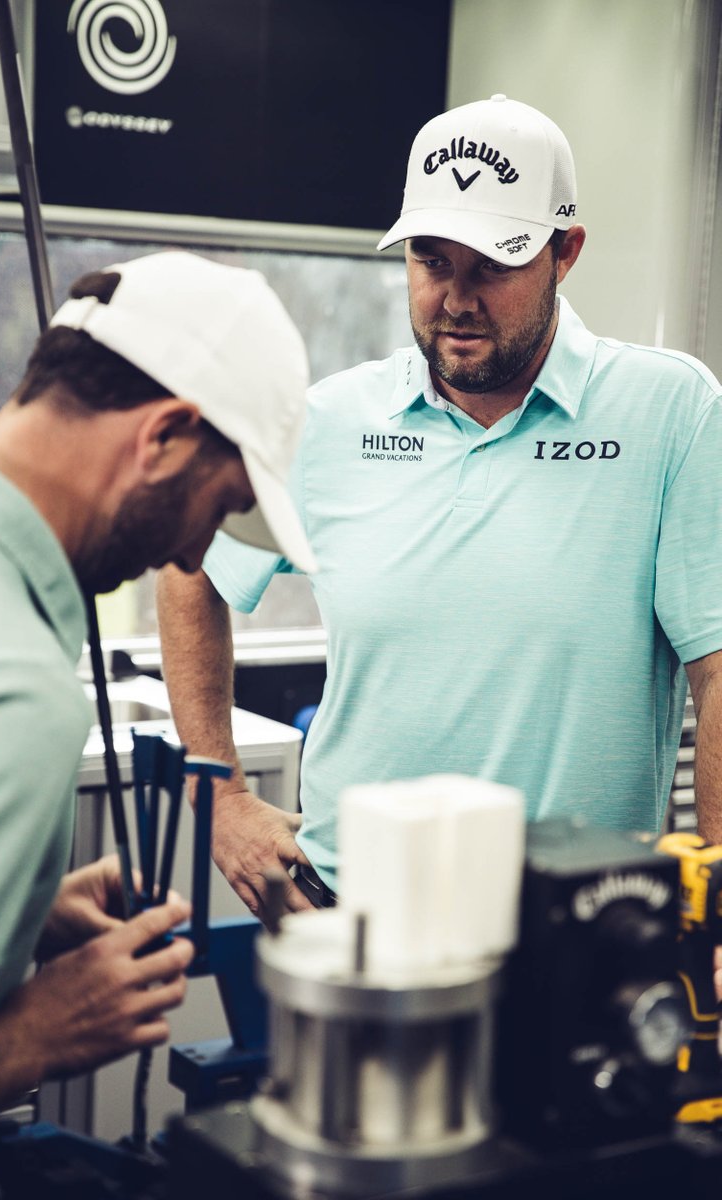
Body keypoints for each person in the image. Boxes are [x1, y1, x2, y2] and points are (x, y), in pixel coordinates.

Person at [156, 95, 722, 922]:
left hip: (580, 923)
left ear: (565, 252)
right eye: (432, 262)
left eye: (491, 265)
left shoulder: (670, 412)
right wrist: (223, 798)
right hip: (349, 915)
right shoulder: (330, 421)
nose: (456, 299)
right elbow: (190, 569)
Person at [0, 248, 315, 1166]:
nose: (191, 552)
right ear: (164, 436)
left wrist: (19, 913)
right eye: (215, 508)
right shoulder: (13, 695)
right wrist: (32, 1033)